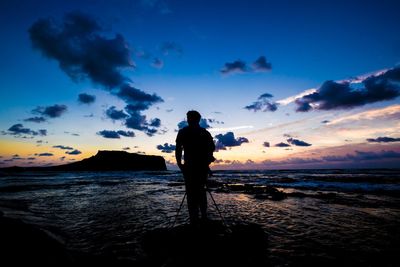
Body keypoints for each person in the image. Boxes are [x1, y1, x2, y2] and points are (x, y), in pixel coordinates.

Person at [175, 110, 215, 224]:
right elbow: (211, 149)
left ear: (194, 119)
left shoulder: (185, 132)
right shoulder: (204, 133)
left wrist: (180, 164)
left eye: (189, 118)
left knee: (193, 193)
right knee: (200, 192)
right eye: (188, 118)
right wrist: (180, 164)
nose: (188, 120)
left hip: (192, 167)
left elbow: (178, 149)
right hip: (197, 167)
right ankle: (201, 217)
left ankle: (196, 218)